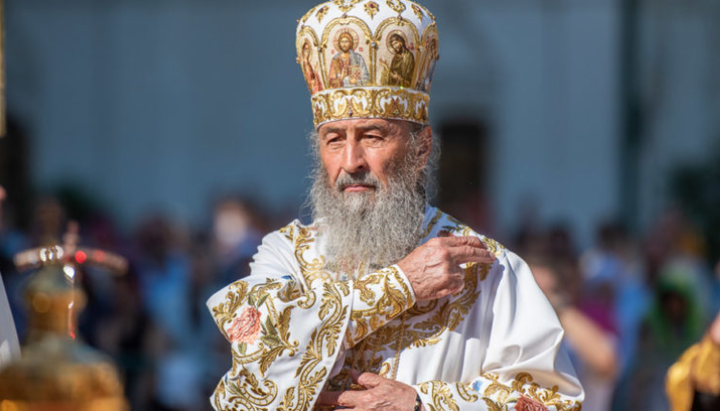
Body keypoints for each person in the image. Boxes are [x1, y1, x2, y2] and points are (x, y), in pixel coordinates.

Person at [207, 2, 583, 410]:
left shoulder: (484, 269)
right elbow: (250, 382)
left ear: (421, 149)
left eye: (372, 136)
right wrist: (401, 285)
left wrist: (423, 404)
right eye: (335, 140)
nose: (351, 162)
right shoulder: (285, 256)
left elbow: (553, 401)